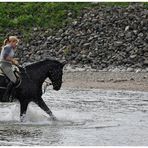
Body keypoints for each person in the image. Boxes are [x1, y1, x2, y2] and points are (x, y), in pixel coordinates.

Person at [0, 36, 19, 101]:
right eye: (16, 43)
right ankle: (6, 96)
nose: (16, 45)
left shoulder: (9, 47)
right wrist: (13, 60)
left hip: (8, 65)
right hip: (5, 65)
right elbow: (5, 57)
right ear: (12, 42)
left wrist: (13, 61)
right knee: (14, 80)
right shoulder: (8, 47)